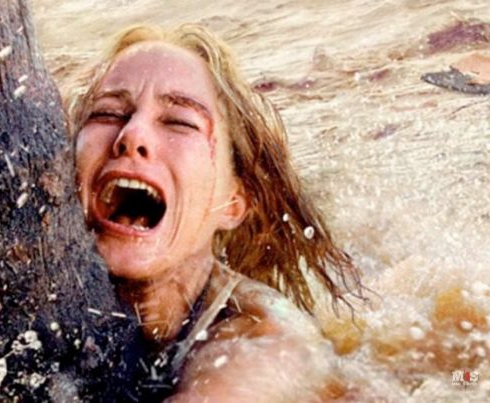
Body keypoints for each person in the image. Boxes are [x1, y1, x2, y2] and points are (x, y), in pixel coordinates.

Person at [69, 24, 364, 401]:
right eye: (108, 113)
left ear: (233, 203)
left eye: (178, 121)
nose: (132, 135)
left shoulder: (266, 343)